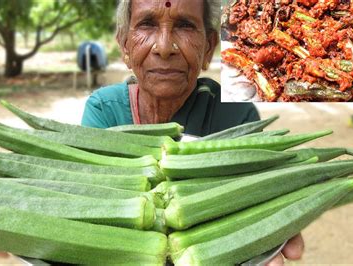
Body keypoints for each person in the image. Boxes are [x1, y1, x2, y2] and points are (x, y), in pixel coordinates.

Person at [81, 0, 304, 264]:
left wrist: (274, 214)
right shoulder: (105, 111)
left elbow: (253, 204)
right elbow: (90, 199)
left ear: (208, 48)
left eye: (185, 26)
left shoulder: (235, 117)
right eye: (147, 24)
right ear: (124, 46)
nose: (164, 48)